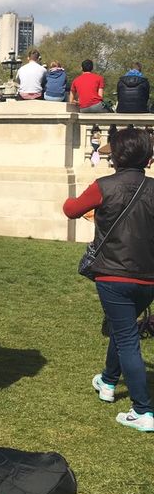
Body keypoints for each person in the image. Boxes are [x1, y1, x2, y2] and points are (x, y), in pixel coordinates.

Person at [63, 127, 154, 432]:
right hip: (148, 277)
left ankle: (142, 410)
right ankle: (108, 381)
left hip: (113, 273)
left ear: (115, 155)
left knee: (127, 338)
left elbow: (71, 209)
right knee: (122, 328)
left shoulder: (104, 185)